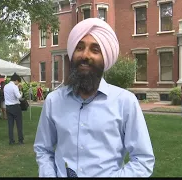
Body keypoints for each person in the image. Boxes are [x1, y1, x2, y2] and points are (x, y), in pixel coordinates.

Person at [34, 18, 155, 177]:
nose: (85, 55)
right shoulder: (54, 101)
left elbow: (142, 160)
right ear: (72, 54)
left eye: (95, 49)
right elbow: (43, 149)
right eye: (80, 47)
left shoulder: (125, 102)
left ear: (105, 59)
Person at [4, 73, 24, 145]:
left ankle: (11, 140)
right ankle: (20, 140)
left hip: (8, 106)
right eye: (18, 82)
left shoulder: (5, 86)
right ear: (16, 80)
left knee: (10, 125)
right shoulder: (14, 87)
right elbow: (18, 96)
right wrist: (20, 90)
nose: (18, 83)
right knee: (19, 124)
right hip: (15, 106)